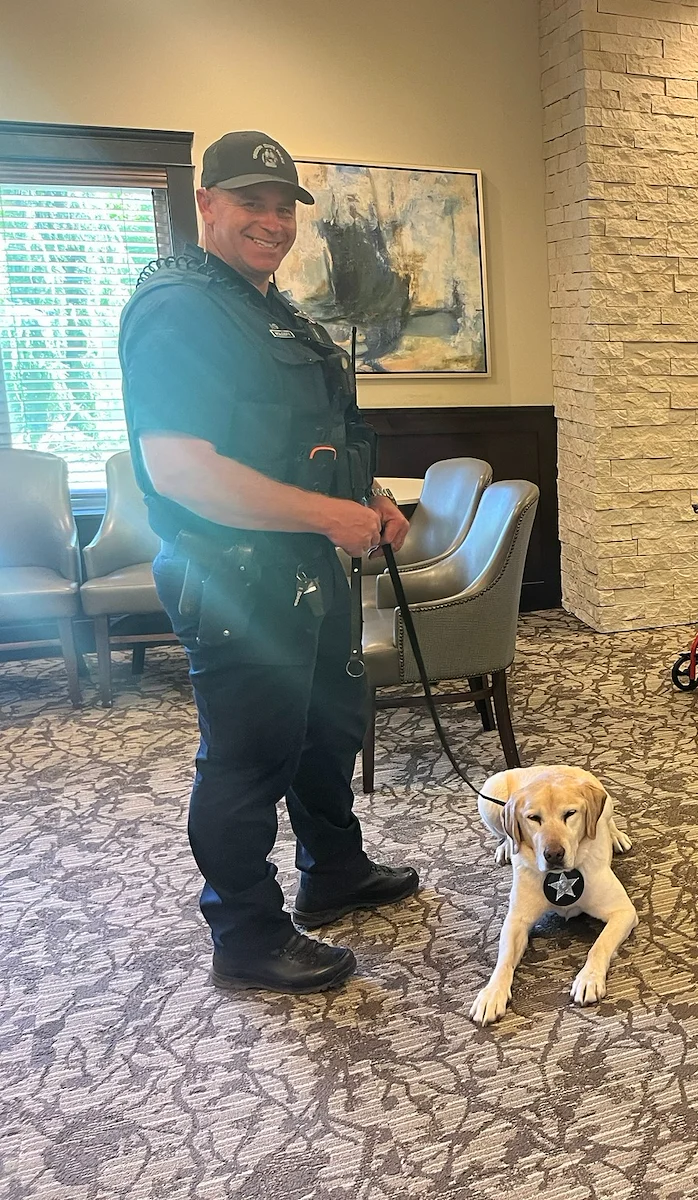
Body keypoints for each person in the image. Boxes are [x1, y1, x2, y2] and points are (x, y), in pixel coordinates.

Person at [118, 131, 419, 995]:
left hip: (306, 568)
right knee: (248, 760)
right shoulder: (179, 310)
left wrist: (371, 497)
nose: (273, 221)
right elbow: (181, 470)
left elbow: (309, 439)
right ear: (206, 203)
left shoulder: (270, 309)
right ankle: (246, 935)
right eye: (252, 202)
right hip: (233, 577)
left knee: (327, 730)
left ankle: (336, 871)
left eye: (284, 207)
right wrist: (328, 516)